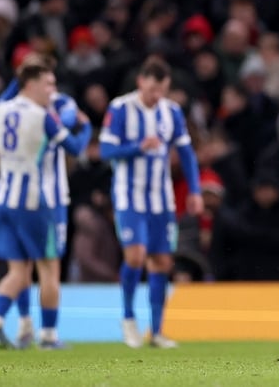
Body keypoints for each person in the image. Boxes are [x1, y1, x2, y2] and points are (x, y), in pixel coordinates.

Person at [0, 60, 91, 349]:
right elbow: (76, 147)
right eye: (48, 84)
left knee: (18, 270)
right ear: (30, 84)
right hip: (38, 200)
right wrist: (86, 125)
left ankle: (1, 321)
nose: (52, 91)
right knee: (48, 268)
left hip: (3, 196)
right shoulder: (44, 115)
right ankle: (49, 335)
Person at [99, 56, 203, 349]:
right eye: (152, 90)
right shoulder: (120, 108)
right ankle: (129, 319)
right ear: (140, 82)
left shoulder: (172, 112)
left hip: (162, 200)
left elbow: (186, 154)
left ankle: (156, 331)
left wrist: (194, 191)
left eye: (162, 90)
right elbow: (106, 150)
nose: (157, 96)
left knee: (162, 261)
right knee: (135, 256)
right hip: (129, 196)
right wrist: (137, 147)